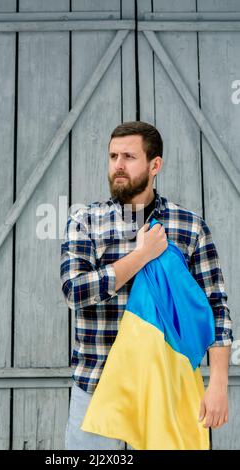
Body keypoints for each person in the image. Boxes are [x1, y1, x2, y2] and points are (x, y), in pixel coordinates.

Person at [60, 121, 233, 450]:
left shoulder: (189, 226)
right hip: (96, 387)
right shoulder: (85, 221)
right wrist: (141, 256)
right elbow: (75, 291)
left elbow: (216, 306)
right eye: (112, 156)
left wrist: (219, 384)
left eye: (129, 156)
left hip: (167, 389)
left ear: (155, 165)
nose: (118, 166)